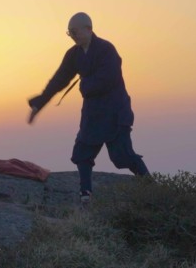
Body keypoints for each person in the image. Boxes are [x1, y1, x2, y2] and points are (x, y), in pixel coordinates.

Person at [27, 12, 150, 206]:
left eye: (75, 31)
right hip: (93, 113)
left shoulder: (106, 49)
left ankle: (151, 185)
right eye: (70, 33)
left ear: (89, 29)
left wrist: (84, 86)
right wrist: (39, 103)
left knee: (122, 156)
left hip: (115, 111)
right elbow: (59, 80)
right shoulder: (73, 54)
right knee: (82, 153)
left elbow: (109, 78)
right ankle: (86, 194)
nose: (73, 36)